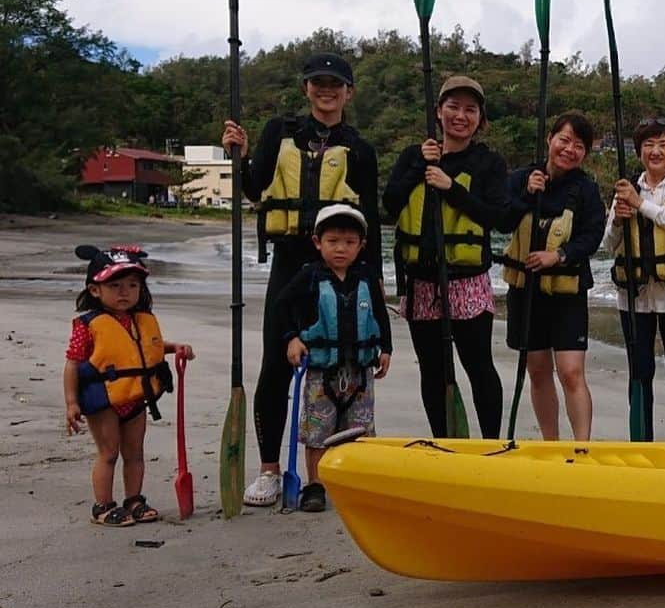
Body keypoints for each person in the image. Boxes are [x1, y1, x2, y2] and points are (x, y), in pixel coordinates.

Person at [221, 51, 382, 507]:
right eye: (317, 82)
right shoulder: (279, 132)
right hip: (292, 265)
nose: (325, 89)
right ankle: (270, 470)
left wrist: (374, 286)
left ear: (349, 91)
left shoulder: (361, 149)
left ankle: (340, 470)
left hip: (343, 273)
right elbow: (254, 189)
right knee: (276, 364)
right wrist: (241, 153)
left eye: (335, 83)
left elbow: (368, 220)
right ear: (306, 89)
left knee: (344, 366)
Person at [383, 76, 512, 438]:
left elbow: (498, 217)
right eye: (453, 107)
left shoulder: (489, 163)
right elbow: (390, 205)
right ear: (438, 112)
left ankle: (489, 442)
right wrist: (418, 169)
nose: (461, 116)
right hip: (422, 283)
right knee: (434, 371)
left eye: (470, 110)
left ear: (480, 119)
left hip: (466, 283)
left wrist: (450, 187)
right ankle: (444, 439)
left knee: (478, 365)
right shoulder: (415, 156)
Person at [63, 245, 195, 526]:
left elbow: (150, 349)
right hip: (103, 401)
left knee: (135, 454)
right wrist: (72, 402)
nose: (125, 291)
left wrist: (176, 348)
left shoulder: (140, 319)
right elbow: (73, 363)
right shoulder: (87, 325)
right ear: (95, 289)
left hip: (136, 399)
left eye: (132, 285)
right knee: (109, 453)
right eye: (115, 285)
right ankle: (103, 506)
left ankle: (134, 500)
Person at [275, 205, 391, 512]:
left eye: (350, 242)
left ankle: (355, 483)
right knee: (318, 433)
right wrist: (292, 338)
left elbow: (380, 313)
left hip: (360, 372)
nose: (341, 248)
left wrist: (387, 349)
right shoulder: (309, 276)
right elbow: (280, 307)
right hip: (320, 373)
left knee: (360, 431)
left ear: (361, 246)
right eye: (333, 241)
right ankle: (315, 486)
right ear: (317, 242)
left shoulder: (366, 277)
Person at [503, 113, 605, 441]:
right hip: (526, 291)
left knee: (571, 372)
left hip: (567, 292)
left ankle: (582, 447)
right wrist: (525, 195)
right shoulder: (521, 178)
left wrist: (558, 255)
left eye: (579, 146)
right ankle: (551, 443)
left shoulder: (586, 190)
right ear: (550, 139)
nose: (569, 149)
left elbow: (592, 236)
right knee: (538, 370)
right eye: (564, 140)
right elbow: (501, 220)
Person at [603, 116, 665, 441]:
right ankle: (641, 442)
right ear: (639, 150)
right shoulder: (627, 186)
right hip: (634, 294)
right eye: (649, 145)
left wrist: (640, 204)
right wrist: (619, 219)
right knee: (640, 372)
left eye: (663, 144)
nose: (655, 151)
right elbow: (609, 243)